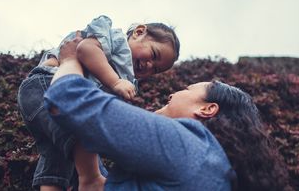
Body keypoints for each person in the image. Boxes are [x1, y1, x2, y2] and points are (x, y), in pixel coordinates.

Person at [42, 35, 292, 191]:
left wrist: (69, 60)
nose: (172, 94)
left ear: (207, 109)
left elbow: (67, 99)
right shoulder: (218, 176)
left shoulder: (189, 146)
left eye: (186, 89)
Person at [17, 15, 180, 190]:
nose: (149, 65)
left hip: (47, 100)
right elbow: (85, 49)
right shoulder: (116, 40)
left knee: (56, 162)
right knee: (83, 130)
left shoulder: (128, 81)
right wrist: (115, 82)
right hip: (46, 85)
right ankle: (91, 178)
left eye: (155, 69)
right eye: (154, 55)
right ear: (139, 32)